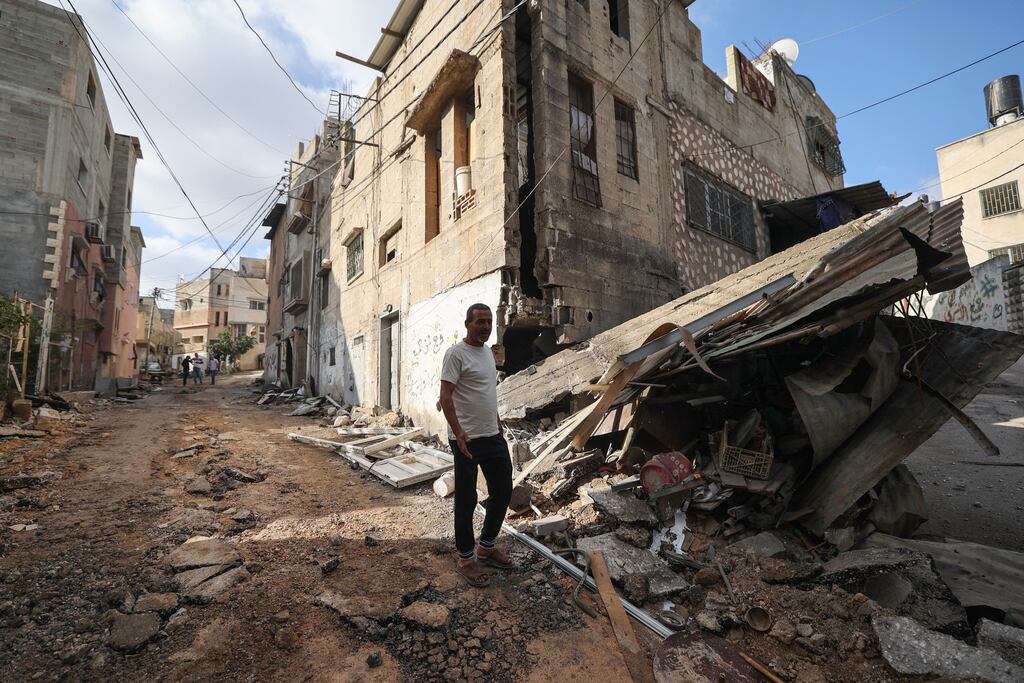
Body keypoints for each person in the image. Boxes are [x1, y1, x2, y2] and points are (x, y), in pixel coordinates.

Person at [439, 303, 514, 588]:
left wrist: (496, 419)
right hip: (466, 438)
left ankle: (487, 546)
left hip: (491, 435)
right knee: (467, 498)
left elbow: (486, 391)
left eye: (489, 322)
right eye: (480, 322)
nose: (485, 326)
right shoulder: (455, 354)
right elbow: (446, 397)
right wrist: (457, 432)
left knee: (503, 490)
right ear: (467, 323)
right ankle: (467, 559)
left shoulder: (487, 354)